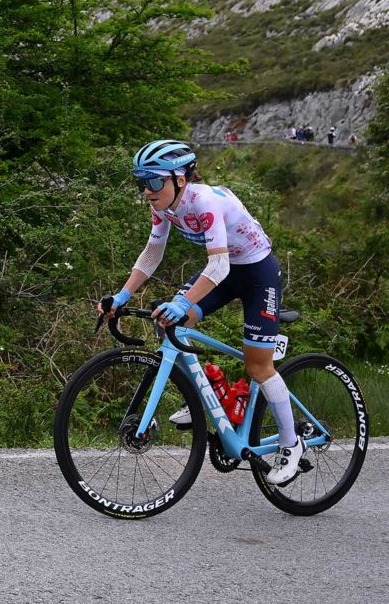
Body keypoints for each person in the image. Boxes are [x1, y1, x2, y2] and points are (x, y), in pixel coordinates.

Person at [100, 139, 304, 484]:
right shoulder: (163, 205)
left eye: (153, 181)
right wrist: (122, 294)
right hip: (222, 272)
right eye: (141, 182)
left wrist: (182, 302)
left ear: (180, 179)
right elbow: (153, 252)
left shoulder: (203, 201)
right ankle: (206, 400)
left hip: (256, 274)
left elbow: (220, 264)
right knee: (170, 325)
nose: (146, 190)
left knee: (258, 365)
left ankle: (291, 444)